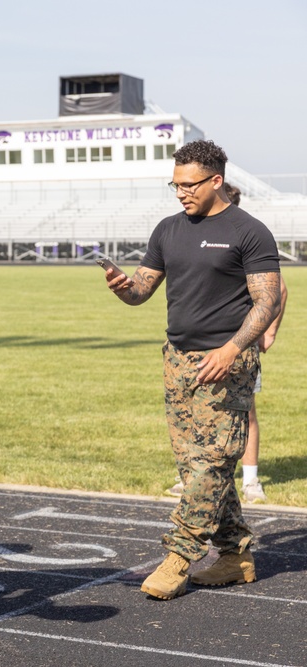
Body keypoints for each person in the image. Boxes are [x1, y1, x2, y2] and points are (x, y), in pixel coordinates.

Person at [104, 139, 282, 601]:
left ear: (216, 180)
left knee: (213, 462)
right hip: (177, 360)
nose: (180, 192)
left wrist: (232, 349)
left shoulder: (250, 230)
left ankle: (179, 555)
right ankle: (234, 554)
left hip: (227, 362)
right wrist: (125, 287)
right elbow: (143, 290)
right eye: (175, 184)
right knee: (195, 466)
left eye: (189, 184)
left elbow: (267, 299)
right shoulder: (168, 229)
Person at [163, 183, 288, 504]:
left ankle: (250, 480)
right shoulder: (183, 232)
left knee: (246, 415)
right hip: (191, 351)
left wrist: (268, 332)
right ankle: (190, 478)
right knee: (192, 417)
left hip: (236, 350)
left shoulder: (247, 233)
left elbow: (277, 292)